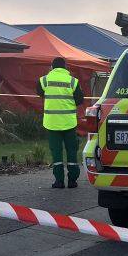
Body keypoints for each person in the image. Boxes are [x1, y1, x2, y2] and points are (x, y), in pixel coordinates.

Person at [38, 57, 85, 188]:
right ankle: (72, 181)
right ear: (65, 67)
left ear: (51, 67)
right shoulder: (73, 81)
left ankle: (59, 181)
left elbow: (40, 93)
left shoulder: (44, 80)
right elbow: (80, 100)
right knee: (72, 151)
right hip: (69, 123)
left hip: (51, 123)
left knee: (56, 152)